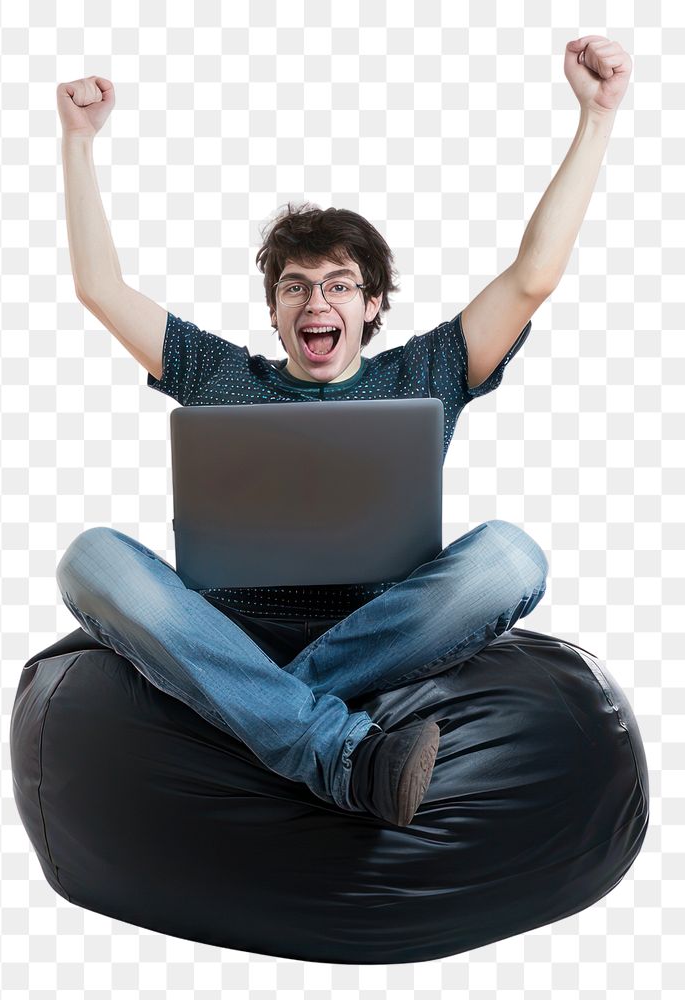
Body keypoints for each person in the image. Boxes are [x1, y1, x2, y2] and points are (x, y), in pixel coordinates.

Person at [54, 44, 628, 824]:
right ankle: (340, 751)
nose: (314, 300)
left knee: (509, 559)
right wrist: (77, 143)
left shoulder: (424, 372)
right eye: (294, 286)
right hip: (228, 625)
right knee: (90, 559)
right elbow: (100, 288)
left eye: (337, 284)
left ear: (370, 304)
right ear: (275, 311)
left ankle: (256, 709)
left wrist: (595, 117)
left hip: (378, 630)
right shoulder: (220, 376)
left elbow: (532, 276)